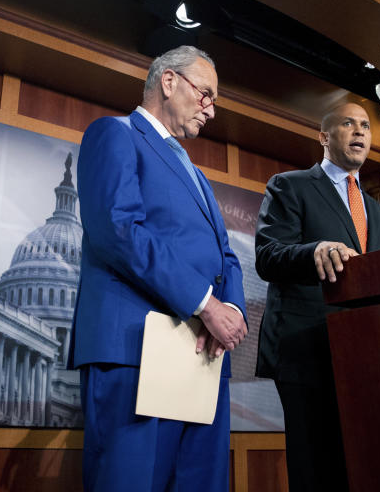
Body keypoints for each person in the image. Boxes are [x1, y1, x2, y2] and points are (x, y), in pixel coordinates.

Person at [68, 45, 247, 492]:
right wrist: (205, 303)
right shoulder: (115, 134)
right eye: (205, 95)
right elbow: (118, 229)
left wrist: (234, 312)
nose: (210, 110)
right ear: (169, 82)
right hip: (135, 353)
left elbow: (226, 254)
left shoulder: (197, 174)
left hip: (203, 354)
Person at [254, 102, 380, 491]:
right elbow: (267, 256)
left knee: (362, 468)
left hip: (365, 357)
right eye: (348, 123)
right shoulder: (290, 185)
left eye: (365, 125)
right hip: (306, 350)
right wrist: (311, 251)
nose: (359, 132)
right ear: (324, 136)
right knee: (316, 469)